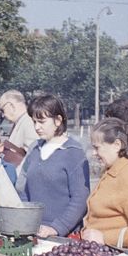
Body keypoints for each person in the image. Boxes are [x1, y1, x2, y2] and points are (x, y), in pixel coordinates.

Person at [19, 95, 90, 238]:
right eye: (34, 122)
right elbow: (22, 188)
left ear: (58, 120)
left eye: (42, 122)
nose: (37, 127)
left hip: (63, 236)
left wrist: (57, 228)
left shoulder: (74, 153)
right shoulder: (34, 149)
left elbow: (80, 199)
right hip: (33, 231)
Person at [82, 117, 128, 252]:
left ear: (117, 145)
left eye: (97, 148)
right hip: (106, 253)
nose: (94, 153)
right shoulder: (113, 168)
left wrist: (104, 237)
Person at [0, 90, 38, 173]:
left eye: (2, 110)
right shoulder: (22, 121)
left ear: (11, 105)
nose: (2, 115)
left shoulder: (29, 122)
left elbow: (35, 157)